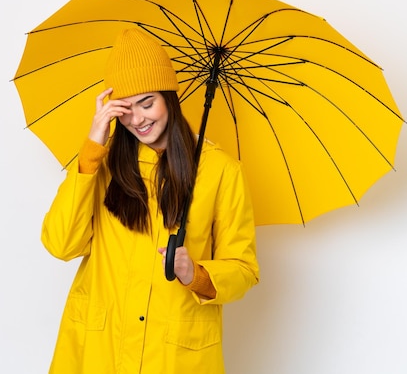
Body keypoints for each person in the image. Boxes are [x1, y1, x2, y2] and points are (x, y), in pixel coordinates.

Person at [40, 28, 259, 374]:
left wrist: (197, 274)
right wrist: (92, 146)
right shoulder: (102, 163)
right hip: (100, 349)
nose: (138, 119)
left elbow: (244, 268)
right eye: (124, 110)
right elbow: (61, 243)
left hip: (173, 356)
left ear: (168, 97)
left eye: (147, 103)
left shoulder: (220, 171)